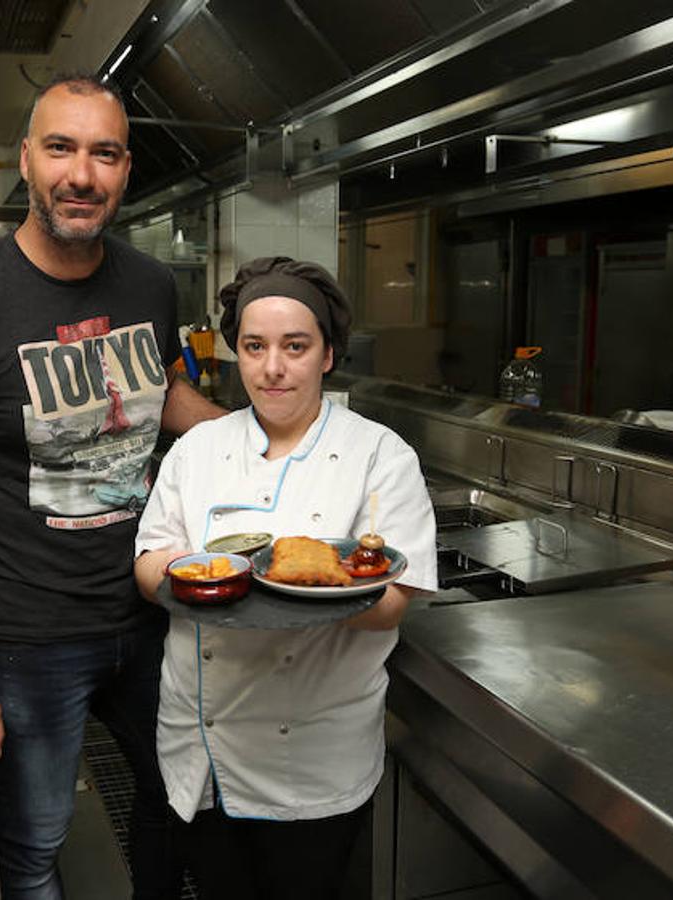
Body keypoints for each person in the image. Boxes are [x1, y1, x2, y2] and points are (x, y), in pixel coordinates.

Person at [0, 72, 224, 899]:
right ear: (28, 161)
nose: (82, 174)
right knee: (36, 841)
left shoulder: (150, 285)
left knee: (174, 800)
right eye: (61, 148)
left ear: (124, 171)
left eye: (104, 153)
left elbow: (154, 390)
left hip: (149, 608)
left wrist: (260, 432)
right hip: (24, 634)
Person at [132, 257, 439, 900]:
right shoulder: (197, 450)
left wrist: (282, 593)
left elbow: (390, 603)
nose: (272, 368)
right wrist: (191, 575)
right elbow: (150, 562)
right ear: (234, 354)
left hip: (312, 758)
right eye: (254, 347)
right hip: (201, 746)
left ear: (328, 355)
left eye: (295, 347)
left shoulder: (379, 455)